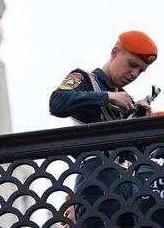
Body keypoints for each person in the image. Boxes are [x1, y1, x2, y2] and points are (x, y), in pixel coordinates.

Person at [49, 30, 158, 227]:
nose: (134, 74)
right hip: (97, 175)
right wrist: (107, 97)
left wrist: (143, 125)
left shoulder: (126, 100)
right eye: (132, 65)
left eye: (141, 71)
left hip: (128, 185)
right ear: (115, 52)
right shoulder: (85, 78)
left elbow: (134, 155)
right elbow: (57, 103)